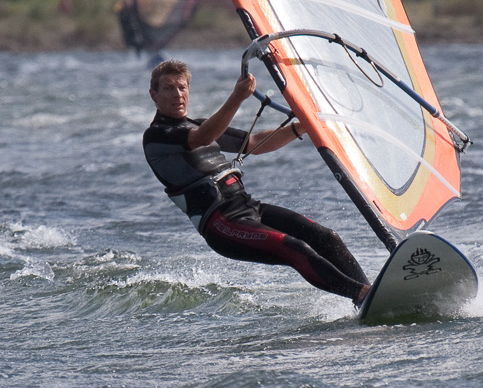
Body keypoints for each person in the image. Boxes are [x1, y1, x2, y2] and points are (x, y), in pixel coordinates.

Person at [143, 60, 371, 305]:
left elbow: (254, 143)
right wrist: (237, 97)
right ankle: (361, 294)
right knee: (294, 248)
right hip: (222, 223)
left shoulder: (198, 124)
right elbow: (204, 138)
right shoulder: (156, 135)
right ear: (154, 95)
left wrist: (304, 127)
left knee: (325, 236)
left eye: (182, 87)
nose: (177, 94)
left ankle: (368, 295)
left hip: (248, 207)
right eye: (168, 88)